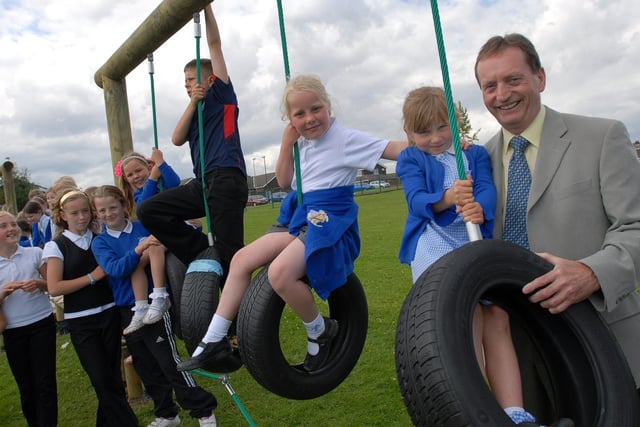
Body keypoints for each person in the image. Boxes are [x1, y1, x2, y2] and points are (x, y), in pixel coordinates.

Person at [176, 74, 407, 373]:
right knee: (242, 259)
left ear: (328, 106)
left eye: (315, 109)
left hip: (328, 219)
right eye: (300, 114)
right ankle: (214, 339)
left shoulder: (346, 139)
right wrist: (286, 144)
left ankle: (319, 329)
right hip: (300, 215)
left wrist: (436, 140)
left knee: (280, 273)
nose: (310, 119)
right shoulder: (301, 144)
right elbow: (285, 182)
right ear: (290, 119)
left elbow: (394, 149)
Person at [475, 33, 640, 418]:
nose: (502, 94)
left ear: (540, 78)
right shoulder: (477, 162)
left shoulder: (602, 136)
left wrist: (591, 273)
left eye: (513, 79)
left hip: (604, 340)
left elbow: (635, 226)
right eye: (489, 86)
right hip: (517, 353)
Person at [397, 87, 545, 424]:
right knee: (467, 316)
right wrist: (447, 197)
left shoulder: (473, 154)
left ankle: (515, 412)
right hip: (433, 241)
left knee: (498, 318)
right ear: (408, 133)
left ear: (456, 123)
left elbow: (487, 189)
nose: (435, 139)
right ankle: (473, 405)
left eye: (442, 127)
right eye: (423, 132)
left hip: (472, 237)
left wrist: (480, 206)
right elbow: (416, 200)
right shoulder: (411, 158)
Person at [137, 2, 248, 285]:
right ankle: (202, 251)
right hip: (203, 183)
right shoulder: (195, 110)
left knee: (230, 254)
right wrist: (192, 102)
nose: (186, 84)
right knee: (149, 210)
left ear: (210, 78)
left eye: (190, 79)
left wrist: (206, 8)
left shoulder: (222, 95)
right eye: (184, 81)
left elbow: (214, 44)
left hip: (226, 179)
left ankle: (240, 313)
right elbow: (176, 138)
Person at [91, 185, 218, 427]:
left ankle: (203, 409)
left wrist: (150, 249)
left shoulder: (143, 227)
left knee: (168, 360)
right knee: (145, 365)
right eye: (102, 210)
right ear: (97, 214)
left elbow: (169, 240)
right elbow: (116, 270)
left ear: (123, 206)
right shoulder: (101, 243)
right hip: (126, 309)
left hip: (154, 305)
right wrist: (139, 251)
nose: (108, 213)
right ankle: (167, 414)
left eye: (112, 207)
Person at [43, 189, 138, 427]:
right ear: (63, 215)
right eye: (75, 213)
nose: (82, 217)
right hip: (81, 321)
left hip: (109, 313)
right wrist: (92, 277)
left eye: (85, 211)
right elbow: (54, 287)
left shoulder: (99, 238)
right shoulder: (57, 246)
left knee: (112, 378)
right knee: (100, 378)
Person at [0, 210, 58, 427]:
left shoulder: (34, 253)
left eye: (13, 224)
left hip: (41, 322)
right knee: (26, 384)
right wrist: (3, 293)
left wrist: (39, 284)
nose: (11, 229)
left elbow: (53, 286)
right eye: (3, 226)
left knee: (45, 382)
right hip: (13, 330)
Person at [116, 149, 181, 333]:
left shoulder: (163, 184)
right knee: (136, 262)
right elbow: (146, 204)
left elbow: (175, 182)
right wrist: (151, 178)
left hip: (176, 229)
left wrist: (161, 165)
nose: (136, 176)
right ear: (126, 179)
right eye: (130, 174)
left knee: (152, 247)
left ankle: (160, 296)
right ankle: (141, 306)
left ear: (148, 167)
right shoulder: (138, 195)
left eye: (139, 171)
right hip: (161, 234)